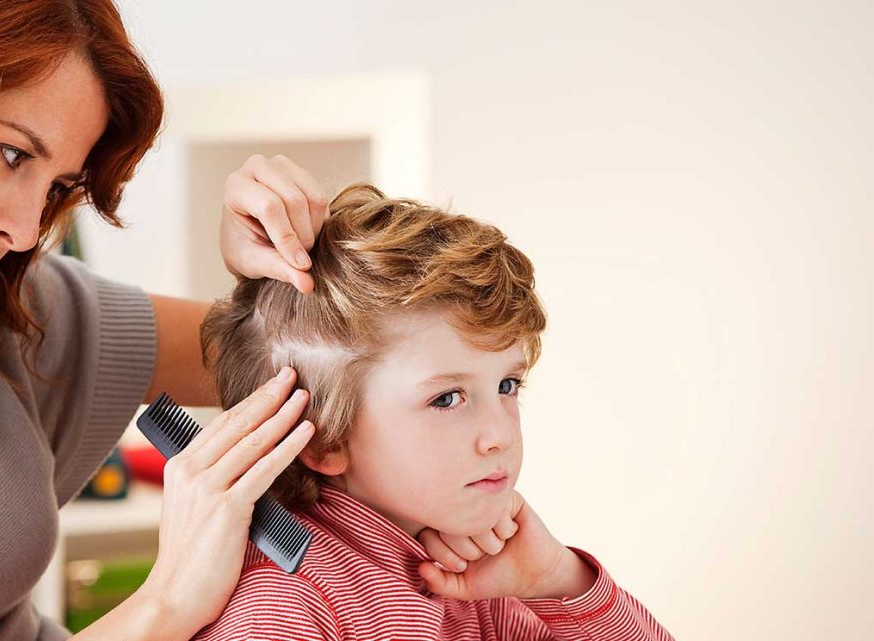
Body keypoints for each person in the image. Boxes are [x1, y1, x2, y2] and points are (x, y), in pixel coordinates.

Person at [0, 1, 392, 640]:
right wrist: (167, 603)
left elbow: (309, 365)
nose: (24, 230)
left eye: (56, 187)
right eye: (12, 154)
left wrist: (271, 277)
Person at [191, 184, 676, 640]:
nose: (500, 435)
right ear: (323, 440)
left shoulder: (477, 573)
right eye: (446, 398)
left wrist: (556, 577)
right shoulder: (284, 610)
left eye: (507, 386)